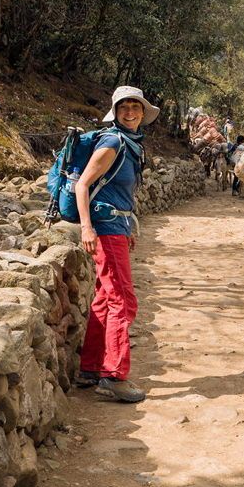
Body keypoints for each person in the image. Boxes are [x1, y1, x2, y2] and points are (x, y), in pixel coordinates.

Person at [74, 86, 157, 403]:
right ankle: (114, 375)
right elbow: (83, 184)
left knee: (105, 298)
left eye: (136, 106)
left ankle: (91, 367)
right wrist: (86, 228)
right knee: (123, 299)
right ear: (116, 111)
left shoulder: (132, 144)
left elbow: (121, 194)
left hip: (116, 225)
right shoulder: (113, 141)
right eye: (124, 107)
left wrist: (129, 224)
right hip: (104, 228)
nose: (131, 112)